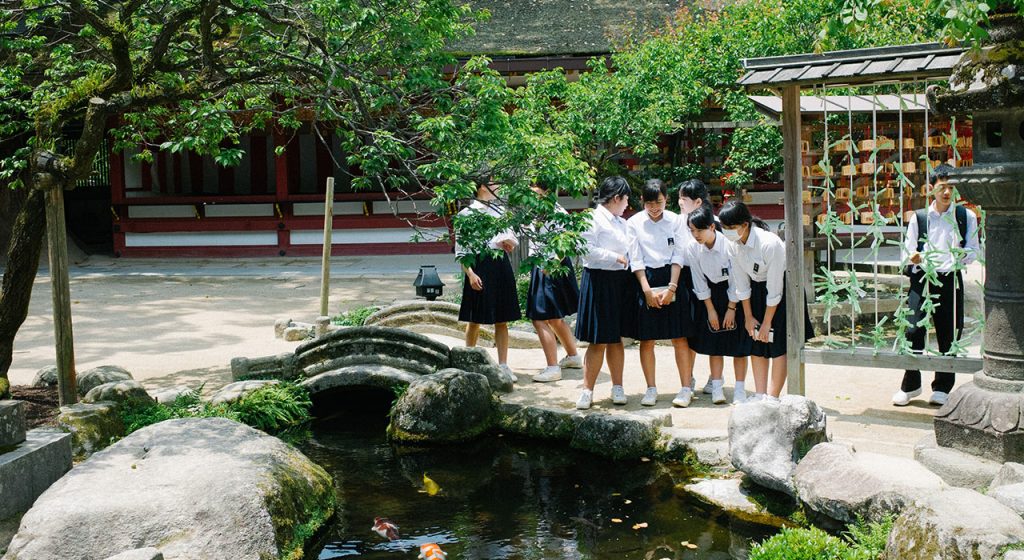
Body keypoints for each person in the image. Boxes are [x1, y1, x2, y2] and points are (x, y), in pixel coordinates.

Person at [892, 163, 980, 407]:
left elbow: (973, 251)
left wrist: (958, 254)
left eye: (951, 187)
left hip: (950, 277)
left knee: (949, 331)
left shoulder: (965, 216)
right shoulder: (919, 218)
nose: (947, 193)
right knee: (912, 329)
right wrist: (915, 257)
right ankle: (911, 384)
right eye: (942, 187)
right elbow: (908, 249)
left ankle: (942, 386)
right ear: (931, 188)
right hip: (922, 278)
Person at [721, 200, 814, 400]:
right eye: (724, 228)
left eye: (731, 227)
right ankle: (760, 393)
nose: (727, 232)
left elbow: (774, 288)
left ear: (745, 225)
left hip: (783, 289)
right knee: (755, 340)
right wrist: (748, 317)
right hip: (755, 291)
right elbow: (741, 284)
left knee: (776, 342)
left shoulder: (769, 244)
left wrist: (766, 322)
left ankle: (772, 396)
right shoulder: (732, 245)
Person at [627, 179, 695, 407]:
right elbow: (635, 259)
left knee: (679, 336)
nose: (655, 208)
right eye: (649, 203)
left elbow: (679, 254)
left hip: (673, 277)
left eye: (659, 202)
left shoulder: (676, 220)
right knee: (647, 339)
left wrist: (672, 287)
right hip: (646, 278)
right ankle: (651, 388)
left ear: (666, 199)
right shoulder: (634, 222)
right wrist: (646, 290)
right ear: (642, 202)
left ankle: (686, 388)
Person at [575, 176, 633, 409]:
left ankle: (617, 386)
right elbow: (586, 250)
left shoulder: (622, 222)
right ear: (616, 197)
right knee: (598, 340)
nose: (627, 203)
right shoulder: (592, 218)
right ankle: (587, 390)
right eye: (626, 198)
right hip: (599, 280)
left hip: (620, 280)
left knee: (617, 338)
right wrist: (614, 257)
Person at [455, 180, 521, 384]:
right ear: (482, 186)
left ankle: (503, 364)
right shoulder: (466, 214)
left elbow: (513, 239)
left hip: (500, 264)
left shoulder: (501, 212)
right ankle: (468, 359)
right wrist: (471, 274)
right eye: (494, 184)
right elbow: (460, 251)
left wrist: (507, 243)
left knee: (502, 319)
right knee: (474, 318)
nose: (499, 187)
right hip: (478, 264)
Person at [685, 204, 751, 404]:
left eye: (699, 230)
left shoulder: (729, 246)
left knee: (739, 345)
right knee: (715, 344)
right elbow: (699, 281)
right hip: (710, 296)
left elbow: (737, 279)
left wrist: (732, 308)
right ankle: (716, 387)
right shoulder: (692, 248)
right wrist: (711, 310)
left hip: (735, 294)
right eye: (692, 230)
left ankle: (740, 389)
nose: (696, 235)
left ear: (712, 227)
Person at [526, 184, 583, 382]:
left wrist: (552, 263)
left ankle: (552, 367)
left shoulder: (557, 212)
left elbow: (565, 243)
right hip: (544, 264)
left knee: (540, 318)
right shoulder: (537, 211)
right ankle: (573, 356)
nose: (531, 195)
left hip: (550, 265)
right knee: (554, 318)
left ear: (547, 192)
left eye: (535, 191)